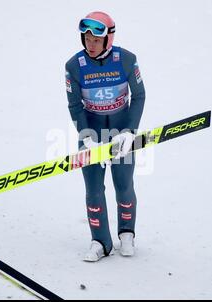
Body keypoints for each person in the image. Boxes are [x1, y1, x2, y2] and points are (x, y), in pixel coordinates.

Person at [65, 11, 146, 262]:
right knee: (93, 190)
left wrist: (129, 132)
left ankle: (127, 235)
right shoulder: (73, 67)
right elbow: (75, 105)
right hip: (91, 131)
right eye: (86, 39)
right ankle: (100, 241)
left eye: (95, 40)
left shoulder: (127, 60)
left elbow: (139, 96)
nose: (90, 44)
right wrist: (87, 137)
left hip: (122, 133)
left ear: (108, 39)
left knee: (123, 185)